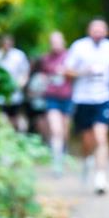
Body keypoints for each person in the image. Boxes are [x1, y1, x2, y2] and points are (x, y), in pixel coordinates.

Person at [65, 18, 109, 195]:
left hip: (103, 98)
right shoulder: (78, 47)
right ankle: (87, 158)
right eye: (94, 30)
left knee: (101, 137)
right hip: (83, 98)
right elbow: (67, 71)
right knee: (87, 140)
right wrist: (84, 71)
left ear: (106, 32)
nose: (98, 33)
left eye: (101, 30)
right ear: (89, 31)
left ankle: (100, 177)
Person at [35, 31, 75, 172]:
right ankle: (56, 160)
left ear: (63, 42)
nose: (55, 45)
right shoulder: (45, 59)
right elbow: (42, 75)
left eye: (58, 41)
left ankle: (63, 151)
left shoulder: (71, 56)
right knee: (55, 129)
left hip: (67, 97)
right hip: (51, 97)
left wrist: (66, 72)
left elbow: (77, 73)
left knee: (64, 130)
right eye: (53, 42)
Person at [0, 34, 30, 132]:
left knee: (14, 117)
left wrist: (20, 84)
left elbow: (25, 72)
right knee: (1, 116)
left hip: (15, 94)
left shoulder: (19, 55)